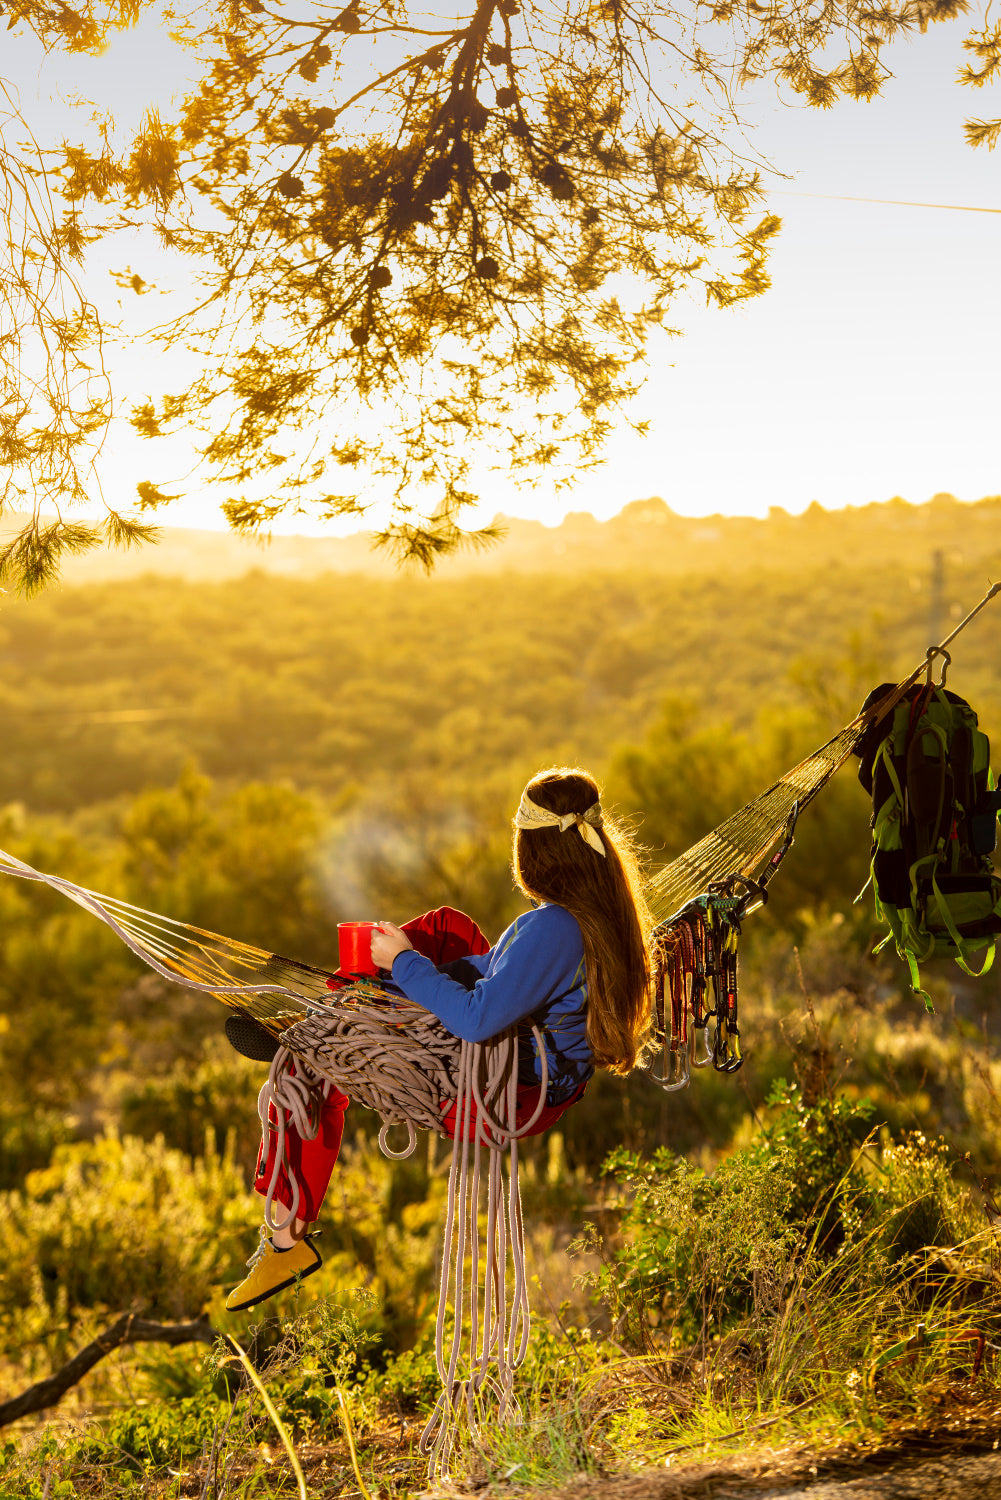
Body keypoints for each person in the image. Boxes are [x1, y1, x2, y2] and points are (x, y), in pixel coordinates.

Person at [225, 766, 652, 1311]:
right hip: (534, 1056)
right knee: (445, 925)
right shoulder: (603, 905)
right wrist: (420, 968)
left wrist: (405, 962)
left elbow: (478, 1021)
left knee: (320, 1058)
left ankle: (288, 1236)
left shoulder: (555, 927)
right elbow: (504, 969)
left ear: (534, 851)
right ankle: (345, 1004)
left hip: (509, 1085)